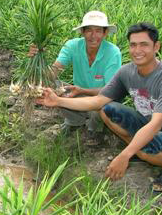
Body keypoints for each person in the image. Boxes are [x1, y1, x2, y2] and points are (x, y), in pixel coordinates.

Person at [37, 23, 162, 193]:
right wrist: (58, 101)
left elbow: (155, 125)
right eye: (133, 45)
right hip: (144, 125)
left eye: (144, 45)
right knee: (107, 109)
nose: (137, 50)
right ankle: (138, 151)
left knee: (145, 145)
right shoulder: (127, 72)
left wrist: (124, 156)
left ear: (156, 46)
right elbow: (98, 101)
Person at [29, 11, 121, 142]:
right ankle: (74, 121)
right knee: (53, 86)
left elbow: (110, 91)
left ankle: (95, 130)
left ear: (105, 33)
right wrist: (37, 59)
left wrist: (82, 90)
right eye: (89, 30)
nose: (93, 36)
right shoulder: (72, 46)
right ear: (82, 32)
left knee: (105, 107)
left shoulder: (113, 52)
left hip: (101, 98)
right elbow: (52, 73)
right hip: (77, 95)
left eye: (98, 31)